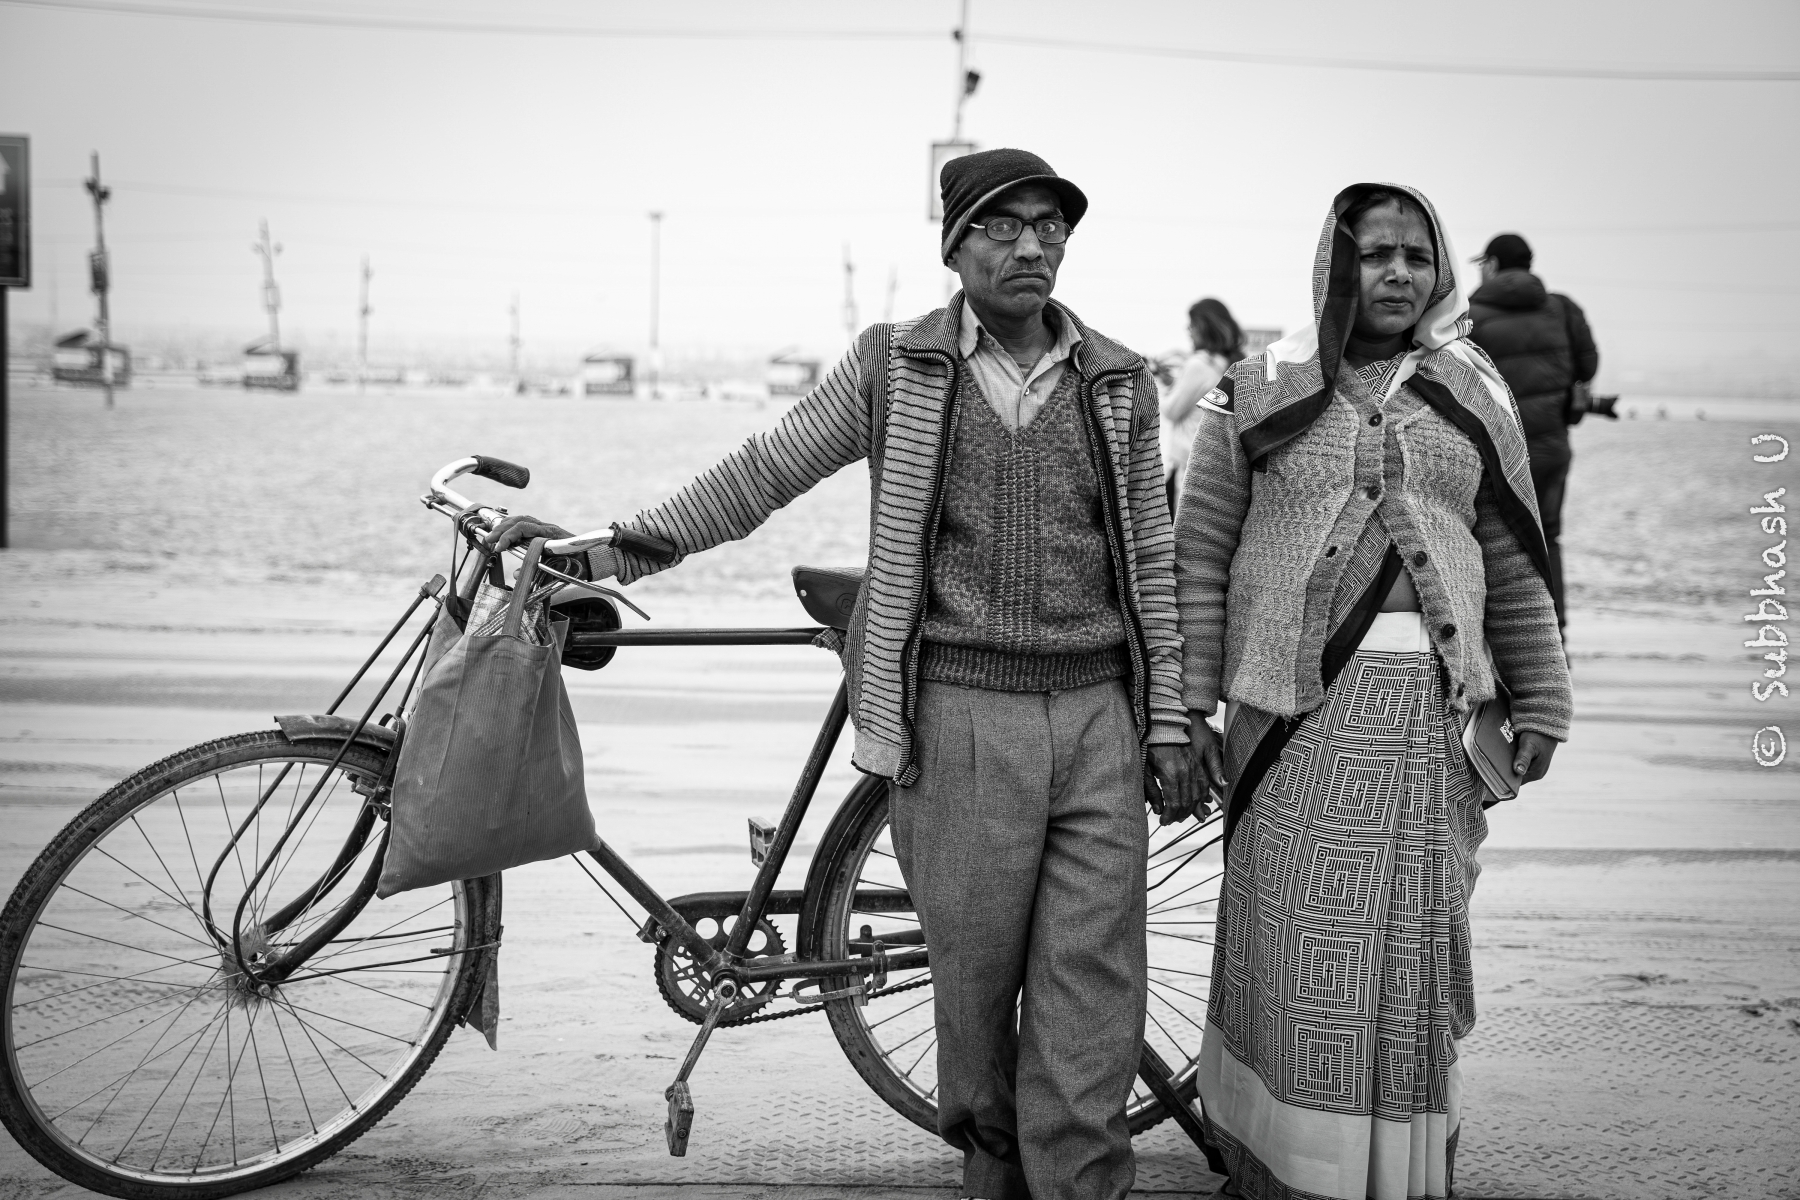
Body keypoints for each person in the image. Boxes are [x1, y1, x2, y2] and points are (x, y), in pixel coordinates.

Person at [490, 147, 1204, 1200]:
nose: (1031, 247)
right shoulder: (897, 366)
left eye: (1050, 226)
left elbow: (1152, 555)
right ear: (956, 246)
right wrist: (615, 551)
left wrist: (1173, 719)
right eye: (1004, 228)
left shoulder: (1119, 380)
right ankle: (993, 1170)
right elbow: (765, 472)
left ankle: (1084, 1185)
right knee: (973, 985)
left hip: (1099, 714)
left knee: (1090, 991)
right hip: (957, 715)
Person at [1172, 183, 1573, 1200]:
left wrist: (1543, 699)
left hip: (1433, 725)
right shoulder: (1257, 389)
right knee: (1292, 950)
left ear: (1441, 273)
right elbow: (1200, 559)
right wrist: (1182, 707)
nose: (1398, 272)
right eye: (1375, 252)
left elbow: (1514, 558)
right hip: (1291, 720)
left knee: (1409, 961)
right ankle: (1279, 1162)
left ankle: (1389, 1171)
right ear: (1333, 264)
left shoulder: (1474, 391)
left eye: (1418, 254)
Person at [1467, 232, 1599, 632]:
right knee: (1548, 536)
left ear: (1490, 265)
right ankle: (1554, 631)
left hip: (1494, 450)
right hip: (1550, 447)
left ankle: (1494, 634)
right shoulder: (1562, 309)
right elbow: (1587, 366)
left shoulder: (1470, 314)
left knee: (1487, 537)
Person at [1159, 297, 1245, 514]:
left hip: (1189, 464)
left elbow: (1171, 411)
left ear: (1202, 327)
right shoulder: (1231, 363)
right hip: (1215, 464)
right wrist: (1176, 384)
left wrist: (1159, 385)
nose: (1188, 331)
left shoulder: (1198, 364)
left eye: (1191, 325)